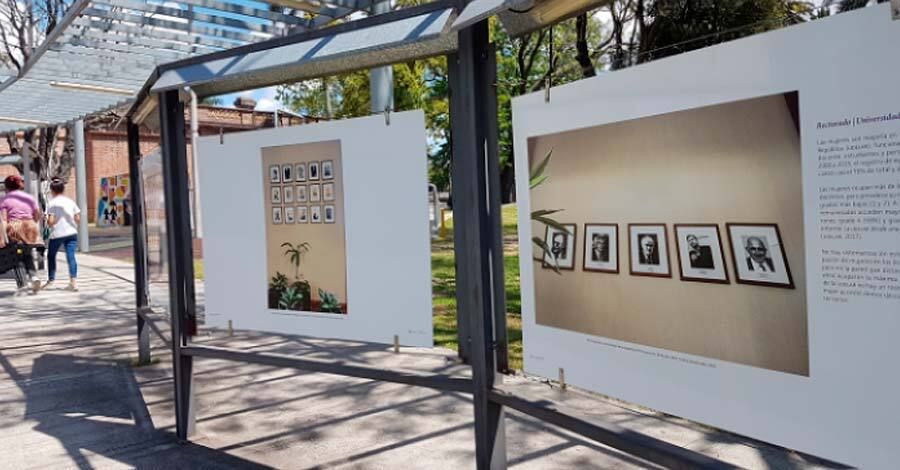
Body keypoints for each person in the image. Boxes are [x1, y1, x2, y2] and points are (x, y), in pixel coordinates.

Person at [0, 174, 42, 294]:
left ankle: (22, 283)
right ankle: (34, 277)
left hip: (15, 228)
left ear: (7, 187)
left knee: (16, 256)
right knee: (27, 253)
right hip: (30, 227)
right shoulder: (28, 198)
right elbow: (37, 213)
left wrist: (2, 237)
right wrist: (33, 222)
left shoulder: (5, 200)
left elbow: (3, 220)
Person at [45, 178, 81, 291]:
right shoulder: (70, 201)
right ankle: (73, 282)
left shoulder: (52, 203)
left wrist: (47, 219)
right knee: (71, 256)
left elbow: (50, 222)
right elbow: (78, 218)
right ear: (63, 189)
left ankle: (51, 280)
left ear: (52, 190)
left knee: (51, 255)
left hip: (58, 234)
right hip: (72, 232)